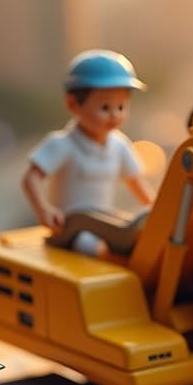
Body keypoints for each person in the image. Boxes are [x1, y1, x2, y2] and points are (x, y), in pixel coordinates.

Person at [21, 49, 155, 256]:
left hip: (102, 221)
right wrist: (44, 210)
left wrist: (155, 210)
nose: (114, 115)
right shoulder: (62, 144)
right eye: (105, 108)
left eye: (121, 107)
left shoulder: (119, 145)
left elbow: (136, 182)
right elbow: (31, 178)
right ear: (73, 104)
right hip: (68, 228)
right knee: (89, 246)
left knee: (133, 243)